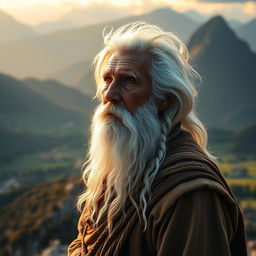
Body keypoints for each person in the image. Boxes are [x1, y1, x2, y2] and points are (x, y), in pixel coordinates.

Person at [68, 22, 247, 256]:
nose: (109, 94)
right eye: (108, 79)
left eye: (128, 80)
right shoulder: (123, 165)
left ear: (164, 99)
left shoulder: (191, 194)